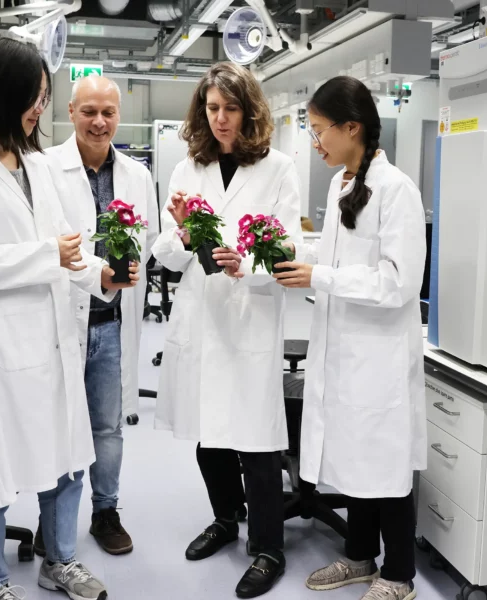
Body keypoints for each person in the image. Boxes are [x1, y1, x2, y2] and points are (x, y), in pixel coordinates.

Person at [0, 38, 137, 600]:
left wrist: (101, 277)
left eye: (43, 97)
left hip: (54, 338)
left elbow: (71, 244)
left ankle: (59, 560)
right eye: (32, 97)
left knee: (66, 457)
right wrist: (49, 257)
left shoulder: (37, 166)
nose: (38, 109)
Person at [150, 62, 302, 599]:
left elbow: (288, 250)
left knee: (256, 442)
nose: (220, 119)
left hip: (250, 316)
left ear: (250, 110)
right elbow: (163, 252)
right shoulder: (188, 168)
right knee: (206, 434)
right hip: (201, 314)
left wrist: (248, 265)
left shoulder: (280, 167)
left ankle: (269, 548)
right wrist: (188, 236)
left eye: (231, 108)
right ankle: (224, 520)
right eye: (212, 108)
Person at [273, 76, 427, 600]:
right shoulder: (345, 184)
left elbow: (399, 281)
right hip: (345, 351)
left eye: (320, 131)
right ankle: (360, 558)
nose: (316, 142)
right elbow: (341, 262)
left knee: (384, 465)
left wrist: (320, 277)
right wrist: (306, 262)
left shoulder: (397, 190)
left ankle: (400, 575)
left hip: (378, 357)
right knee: (359, 464)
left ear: (352, 128)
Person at [42, 74, 158, 558]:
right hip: (60, 322)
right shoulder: (44, 168)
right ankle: (57, 526)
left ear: (118, 116)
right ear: (70, 113)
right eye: (89, 111)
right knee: (59, 427)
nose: (99, 121)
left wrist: (127, 268)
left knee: (107, 428)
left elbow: (147, 239)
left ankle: (105, 513)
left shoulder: (137, 174)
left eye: (108, 112)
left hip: (110, 323)